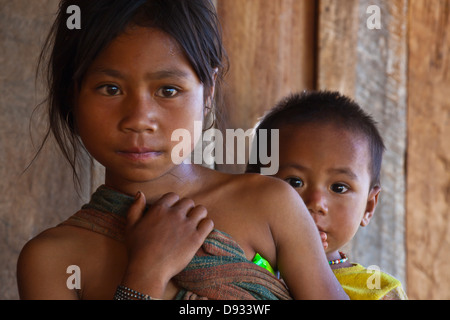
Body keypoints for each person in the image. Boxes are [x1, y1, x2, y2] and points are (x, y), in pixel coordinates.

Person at [17, 0, 348, 300]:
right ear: (72, 94)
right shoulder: (53, 261)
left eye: (168, 90)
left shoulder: (270, 205)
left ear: (208, 92)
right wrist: (146, 274)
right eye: (111, 88)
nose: (139, 120)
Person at [247, 91, 408, 300]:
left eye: (339, 188)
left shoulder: (378, 292)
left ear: (368, 207)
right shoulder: (240, 261)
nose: (316, 203)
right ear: (252, 188)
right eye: (294, 182)